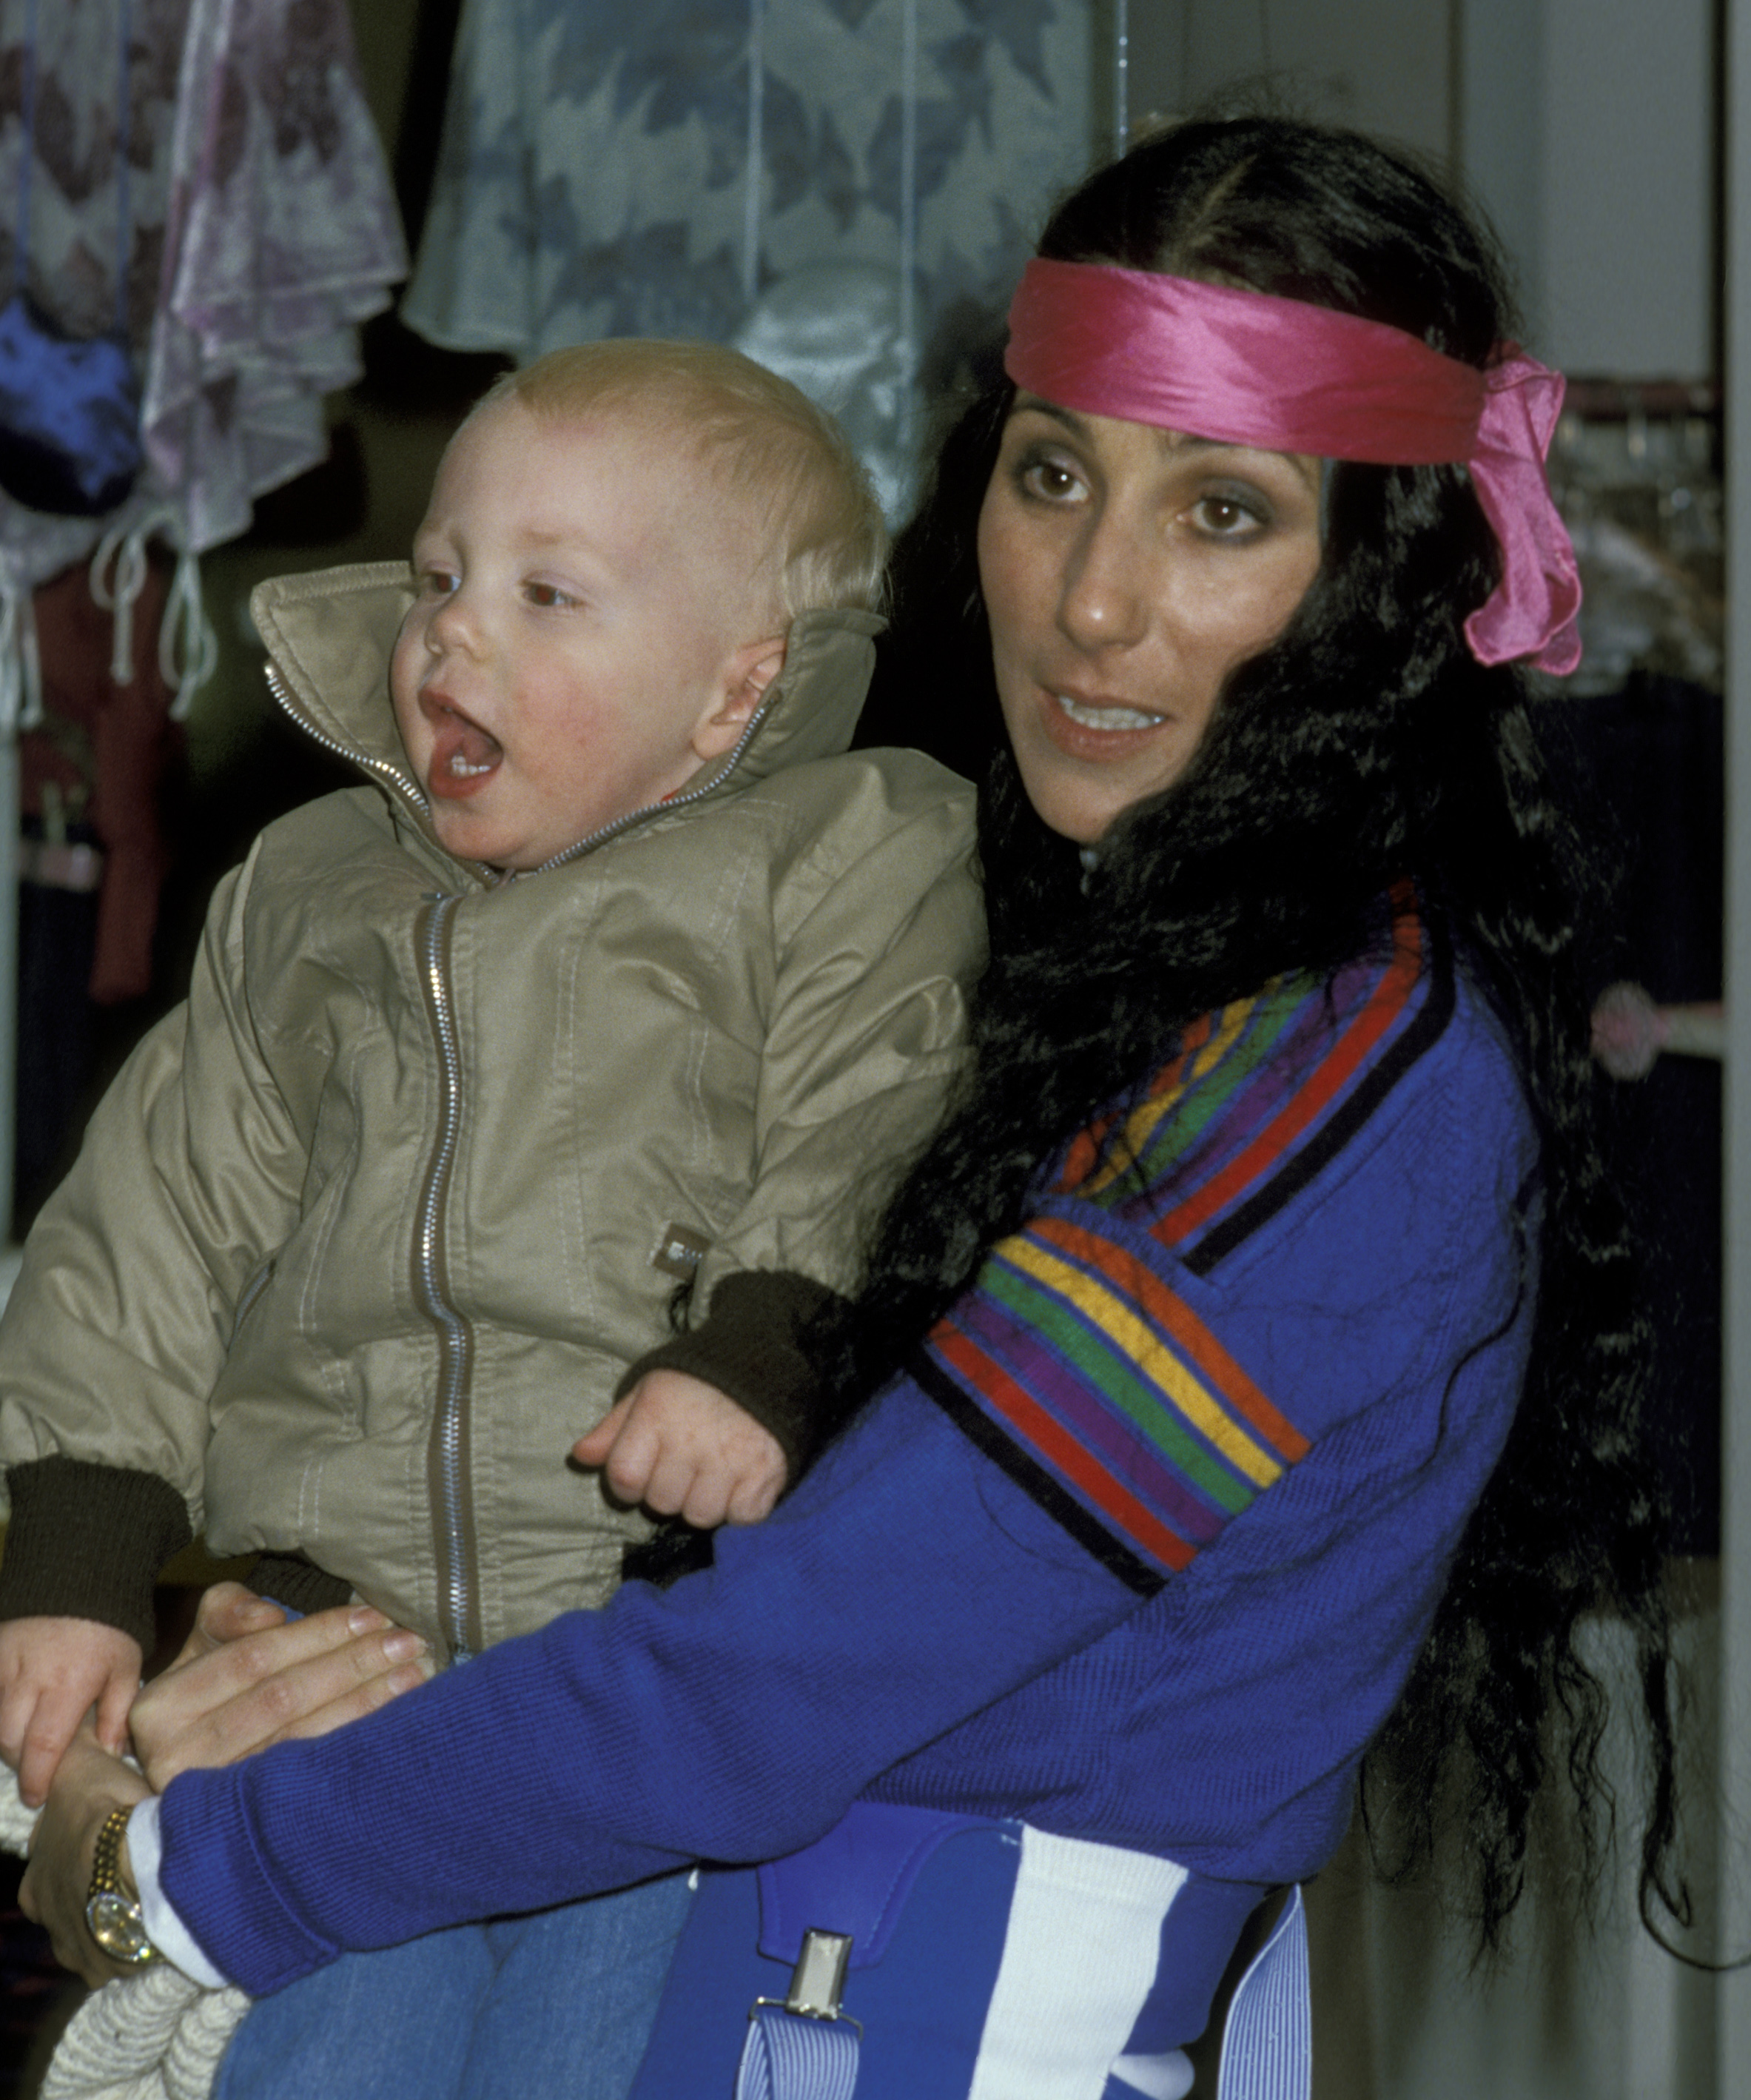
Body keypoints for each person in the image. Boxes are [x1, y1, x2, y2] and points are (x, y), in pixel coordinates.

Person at [23, 117, 1677, 2100]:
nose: (1087, 600)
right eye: (1050, 474)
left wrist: (176, 1869)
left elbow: (765, 1682)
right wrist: (280, 1636)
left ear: (1377, 583)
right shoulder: (1031, 954)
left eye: (1219, 515)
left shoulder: (1333, 1083)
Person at [0, 341, 981, 2087]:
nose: (456, 632)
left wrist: (763, 1345)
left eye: (550, 594)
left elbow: (879, 1107)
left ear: (732, 690)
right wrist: (75, 1556)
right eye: (441, 577)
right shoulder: (311, 893)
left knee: (593, 2042)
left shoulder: (843, 854)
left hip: (648, 1642)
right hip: (342, 1660)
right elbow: (149, 1218)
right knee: (324, 2058)